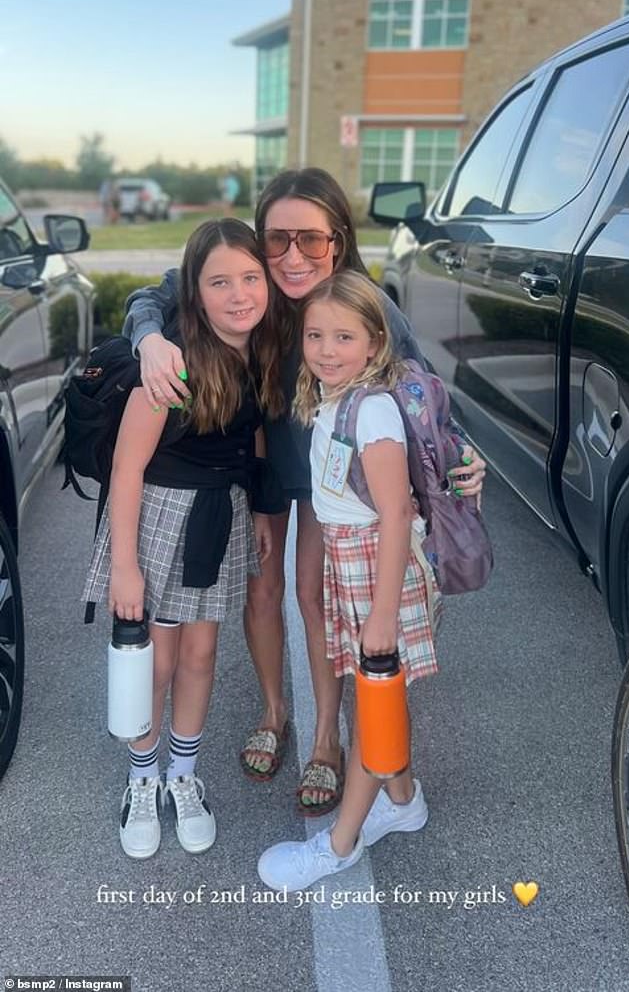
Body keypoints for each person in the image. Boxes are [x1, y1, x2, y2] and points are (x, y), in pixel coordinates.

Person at [122, 168, 486, 816]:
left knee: (312, 592)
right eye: (277, 239)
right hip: (255, 461)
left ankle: (326, 737)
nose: (292, 257)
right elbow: (156, 295)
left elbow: (422, 389)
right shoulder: (245, 285)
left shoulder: (362, 302)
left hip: (328, 475)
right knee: (261, 588)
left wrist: (459, 456)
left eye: (310, 241)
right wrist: (148, 339)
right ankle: (272, 708)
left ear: (338, 242)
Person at [82, 218, 284, 860]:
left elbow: (250, 438)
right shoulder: (170, 362)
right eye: (220, 281)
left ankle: (182, 776)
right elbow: (127, 467)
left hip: (218, 520)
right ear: (193, 291)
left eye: (251, 278)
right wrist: (124, 566)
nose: (239, 294)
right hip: (160, 522)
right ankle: (142, 781)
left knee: (200, 658)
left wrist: (254, 507)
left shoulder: (261, 352)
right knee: (157, 663)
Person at [257, 270, 444, 891]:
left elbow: (394, 512)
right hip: (350, 560)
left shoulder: (373, 410)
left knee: (373, 707)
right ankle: (404, 800)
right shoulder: (332, 397)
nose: (327, 350)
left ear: (375, 345)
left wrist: (383, 614)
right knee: (381, 700)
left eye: (344, 336)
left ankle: (338, 845)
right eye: (315, 335)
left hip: (378, 568)